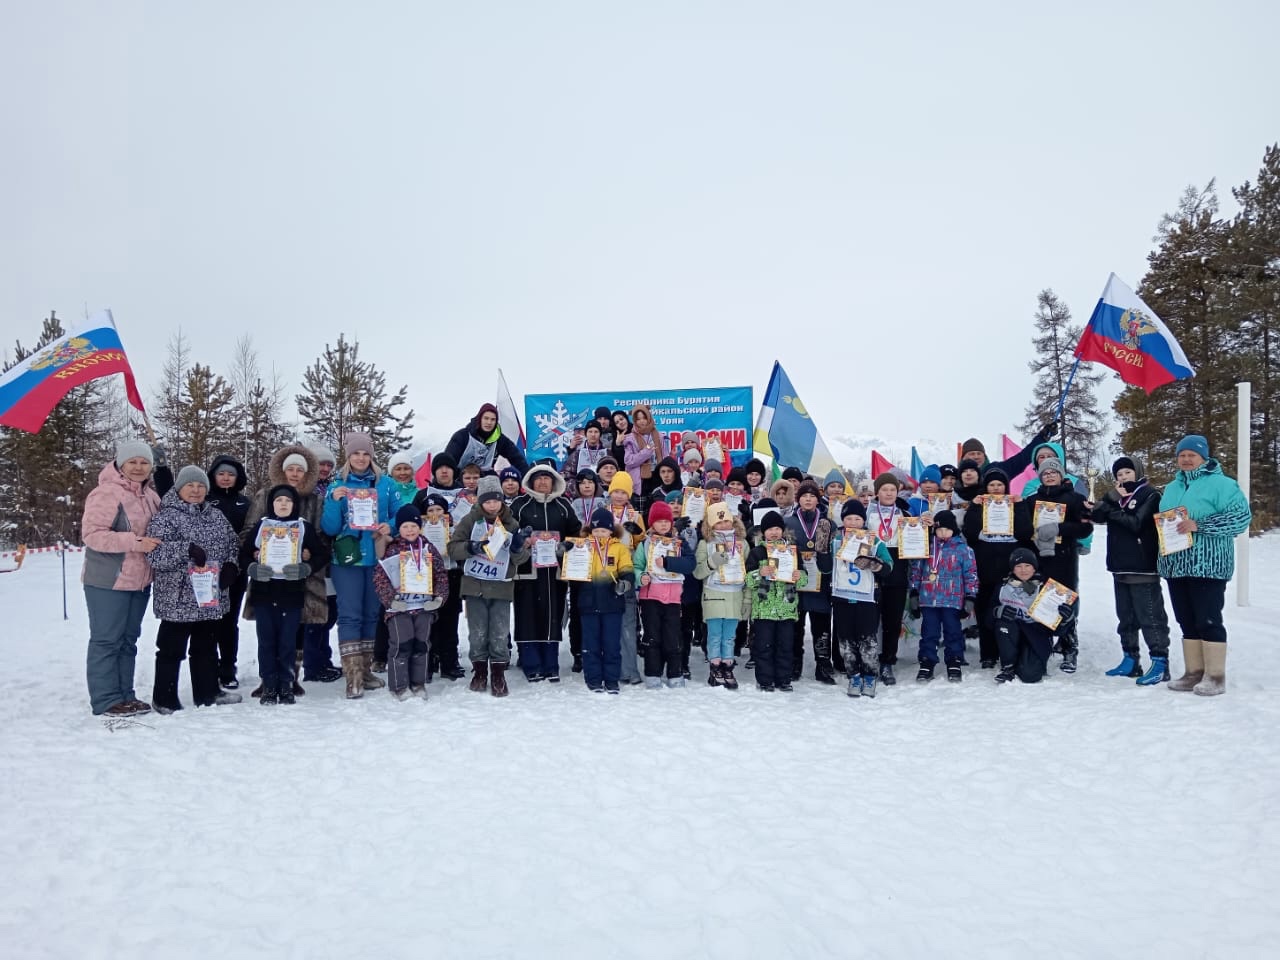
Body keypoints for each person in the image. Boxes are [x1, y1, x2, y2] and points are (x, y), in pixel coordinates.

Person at [1158, 435, 1252, 696]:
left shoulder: (1222, 484)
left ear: (1204, 457)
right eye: (1182, 455)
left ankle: (1215, 676)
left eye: (1192, 455)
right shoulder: (1171, 488)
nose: (1186, 459)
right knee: (1186, 620)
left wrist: (1200, 525)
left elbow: (1240, 518)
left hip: (1208, 565)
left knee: (1208, 619)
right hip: (1177, 564)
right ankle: (1193, 673)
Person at [145, 465, 242, 713]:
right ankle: (164, 697)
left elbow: (233, 543)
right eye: (190, 485)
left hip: (208, 594)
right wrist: (185, 549)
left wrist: (232, 565)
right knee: (171, 649)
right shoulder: (165, 516)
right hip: (177, 597)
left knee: (206, 647)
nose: (196, 490)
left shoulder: (215, 515)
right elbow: (154, 555)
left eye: (200, 486)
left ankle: (207, 692)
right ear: (179, 489)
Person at [243, 445, 336, 693]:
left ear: (307, 474)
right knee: (269, 628)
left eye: (299, 470)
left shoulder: (316, 500)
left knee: (298, 625)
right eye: (290, 469)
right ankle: (269, 678)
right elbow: (249, 531)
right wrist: (254, 553)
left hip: (302, 574)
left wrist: (308, 555)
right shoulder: (265, 496)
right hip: (269, 575)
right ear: (281, 471)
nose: (294, 474)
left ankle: (290, 676)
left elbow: (322, 539)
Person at [81, 440, 164, 717]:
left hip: (139, 581)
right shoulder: (106, 493)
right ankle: (106, 699)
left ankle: (125, 695)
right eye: (133, 462)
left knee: (128, 640)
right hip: (109, 581)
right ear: (120, 464)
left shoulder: (151, 496)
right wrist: (135, 541)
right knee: (107, 640)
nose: (139, 467)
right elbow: (92, 535)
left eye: (144, 462)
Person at [321, 431, 397, 698]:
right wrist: (333, 502)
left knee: (371, 614)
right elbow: (329, 528)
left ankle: (365, 671)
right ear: (348, 456)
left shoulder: (385, 484)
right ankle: (352, 676)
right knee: (350, 614)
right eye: (356, 453)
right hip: (347, 558)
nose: (361, 458)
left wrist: (392, 525)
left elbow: (399, 515)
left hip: (377, 555)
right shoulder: (337, 485)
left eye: (366, 453)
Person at [1089, 455, 1172, 684]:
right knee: (1125, 617)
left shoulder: (1150, 495)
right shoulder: (1118, 497)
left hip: (1142, 566)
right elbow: (1095, 515)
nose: (1123, 477)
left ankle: (1160, 662)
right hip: (1119, 565)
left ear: (1137, 472)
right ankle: (1130, 659)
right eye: (1119, 474)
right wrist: (1110, 498)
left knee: (1150, 617)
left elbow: (1136, 524)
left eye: (1127, 472)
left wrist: (1111, 511)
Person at [447, 475, 532, 697]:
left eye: (496, 500)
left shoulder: (511, 523)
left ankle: (498, 673)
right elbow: (453, 548)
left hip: (501, 587)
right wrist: (472, 547)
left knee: (499, 631)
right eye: (487, 501)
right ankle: (479, 671)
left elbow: (522, 559)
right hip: (474, 585)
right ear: (480, 501)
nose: (492, 505)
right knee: (477, 632)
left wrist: (517, 548)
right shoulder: (469, 521)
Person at [510, 463, 581, 682]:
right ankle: (531, 663)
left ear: (554, 481)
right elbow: (509, 534)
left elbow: (575, 533)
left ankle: (551, 664)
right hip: (526, 572)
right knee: (527, 616)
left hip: (554, 572)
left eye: (547, 478)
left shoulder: (563, 505)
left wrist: (566, 547)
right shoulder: (519, 505)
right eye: (538, 478)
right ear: (531, 481)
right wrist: (523, 539)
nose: (542, 482)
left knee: (552, 616)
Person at [1022, 457, 1092, 673]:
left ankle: (1070, 646)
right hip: (1038, 558)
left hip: (1064, 557)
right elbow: (1023, 526)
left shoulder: (1075, 499)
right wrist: (1029, 534)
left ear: (1061, 475)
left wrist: (1060, 529)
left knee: (1064, 601)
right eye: (1045, 473)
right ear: (1040, 477)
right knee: (1039, 601)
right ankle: (1041, 644)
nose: (1050, 476)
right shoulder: (1032, 500)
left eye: (1053, 472)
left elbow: (1085, 529)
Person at [373, 504, 448, 700]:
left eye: (413, 526)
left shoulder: (428, 548)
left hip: (423, 606)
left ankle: (418, 683)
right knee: (401, 644)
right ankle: (399, 685)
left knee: (421, 644)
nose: (410, 530)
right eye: (405, 526)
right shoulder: (392, 550)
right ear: (399, 528)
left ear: (420, 526)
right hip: (400, 608)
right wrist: (390, 600)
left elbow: (440, 575)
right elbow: (381, 578)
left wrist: (439, 597)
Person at [961, 467, 1033, 668]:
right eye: (991, 484)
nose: (996, 488)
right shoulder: (979, 505)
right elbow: (971, 533)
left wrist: (1019, 507)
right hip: (984, 568)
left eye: (1000, 485)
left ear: (1006, 487)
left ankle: (1009, 652)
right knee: (985, 612)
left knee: (1011, 611)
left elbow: (1025, 532)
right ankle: (988, 655)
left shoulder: (1016, 504)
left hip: (1010, 569)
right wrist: (975, 508)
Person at [829, 498, 892, 698]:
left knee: (867, 641)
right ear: (843, 520)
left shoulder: (874, 540)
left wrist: (878, 565)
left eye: (857, 518)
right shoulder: (836, 541)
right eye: (849, 518)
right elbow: (824, 566)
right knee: (846, 641)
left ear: (863, 521)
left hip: (867, 599)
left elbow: (889, 565)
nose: (853, 522)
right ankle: (853, 675)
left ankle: (870, 676)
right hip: (842, 598)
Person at [907, 510, 978, 682]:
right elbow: (916, 570)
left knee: (953, 632)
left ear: (954, 530)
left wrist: (970, 597)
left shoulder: (964, 550)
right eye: (939, 530)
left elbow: (971, 574)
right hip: (929, 599)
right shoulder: (926, 548)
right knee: (929, 632)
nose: (943, 533)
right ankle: (927, 662)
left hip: (952, 600)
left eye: (947, 529)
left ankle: (954, 660)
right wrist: (914, 592)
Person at [633, 500, 697, 687]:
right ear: (651, 523)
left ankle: (675, 673)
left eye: (666, 521)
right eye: (658, 521)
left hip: (673, 597)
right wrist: (641, 577)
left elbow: (690, 564)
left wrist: (668, 562)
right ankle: (653, 673)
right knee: (652, 636)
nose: (663, 524)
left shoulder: (679, 543)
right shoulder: (645, 544)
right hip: (650, 596)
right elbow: (637, 566)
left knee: (673, 636)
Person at [744, 510, 808, 691]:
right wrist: (759, 573)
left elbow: (804, 578)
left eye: (777, 528)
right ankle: (765, 680)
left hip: (786, 608)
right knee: (763, 646)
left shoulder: (792, 551)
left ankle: (784, 679)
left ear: (783, 531)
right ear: (763, 532)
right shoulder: (757, 552)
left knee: (785, 646)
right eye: (770, 529)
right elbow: (748, 579)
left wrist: (798, 575)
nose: (774, 532)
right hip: (764, 609)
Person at [992, 548, 1077, 684]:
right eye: (1018, 566)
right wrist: (997, 611)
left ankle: (1024, 661)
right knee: (1004, 623)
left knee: (1030, 676)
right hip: (1011, 635)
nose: (1023, 570)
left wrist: (1065, 619)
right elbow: (988, 621)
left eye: (1027, 566)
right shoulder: (1003, 587)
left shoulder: (1048, 590)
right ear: (1013, 569)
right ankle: (1008, 667)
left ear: (1034, 568)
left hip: (1036, 636)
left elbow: (1057, 631)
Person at [203, 456, 251, 689]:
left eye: (230, 474)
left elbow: (251, 534)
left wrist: (240, 561)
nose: (225, 478)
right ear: (213, 475)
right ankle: (208, 666)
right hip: (206, 571)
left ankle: (228, 668)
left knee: (229, 622)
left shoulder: (245, 503)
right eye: (221, 473)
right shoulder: (203, 499)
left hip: (236, 570)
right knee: (209, 621)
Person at [576, 507, 635, 693]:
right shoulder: (582, 546)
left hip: (612, 603)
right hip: (588, 602)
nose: (599, 534)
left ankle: (611, 679)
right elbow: (571, 567)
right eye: (595, 531)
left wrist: (625, 582)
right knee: (590, 645)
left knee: (611, 644)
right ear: (590, 531)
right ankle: (593, 679)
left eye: (603, 530)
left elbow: (626, 568)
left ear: (611, 530)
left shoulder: (619, 548)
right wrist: (565, 553)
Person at [694, 502, 748, 689]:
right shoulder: (705, 544)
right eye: (719, 522)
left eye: (727, 521)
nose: (724, 525)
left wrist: (747, 598)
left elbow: (747, 570)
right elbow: (698, 572)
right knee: (715, 634)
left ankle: (727, 665)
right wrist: (713, 562)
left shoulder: (742, 544)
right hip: (714, 594)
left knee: (730, 636)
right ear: (711, 525)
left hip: (735, 595)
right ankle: (715, 667)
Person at [785, 480, 835, 683]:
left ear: (818, 499)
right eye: (804, 495)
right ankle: (794, 661)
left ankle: (823, 663)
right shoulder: (788, 522)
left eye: (812, 495)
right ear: (798, 499)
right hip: (796, 579)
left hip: (820, 580)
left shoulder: (827, 524)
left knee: (821, 624)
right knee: (795, 625)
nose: (808, 499)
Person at [868, 473, 913, 684]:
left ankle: (887, 662)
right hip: (871, 571)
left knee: (892, 622)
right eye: (884, 489)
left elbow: (916, 543)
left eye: (892, 490)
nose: (888, 493)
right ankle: (869, 661)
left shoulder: (905, 514)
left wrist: (924, 525)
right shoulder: (867, 513)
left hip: (897, 572)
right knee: (870, 621)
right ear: (877, 492)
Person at [606, 470, 645, 684]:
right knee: (609, 623)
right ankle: (612, 668)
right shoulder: (603, 512)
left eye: (624, 492)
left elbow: (644, 545)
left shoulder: (635, 516)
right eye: (616, 491)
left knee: (628, 622)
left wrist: (638, 532)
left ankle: (630, 670)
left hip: (627, 572)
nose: (620, 496)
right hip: (605, 572)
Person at [443, 402, 529, 474]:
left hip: (484, 479)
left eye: (492, 419)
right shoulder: (463, 436)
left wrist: (529, 477)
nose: (489, 422)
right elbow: (448, 460)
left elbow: (518, 459)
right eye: (486, 418)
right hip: (461, 476)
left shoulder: (500, 440)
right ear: (480, 419)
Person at [961, 419, 1057, 479]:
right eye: (972, 454)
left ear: (984, 456)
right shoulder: (955, 477)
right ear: (963, 457)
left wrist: (1041, 438)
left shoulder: (996, 469)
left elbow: (1022, 459)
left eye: (979, 453)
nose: (976, 457)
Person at [624, 403, 662, 499]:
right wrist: (646, 452)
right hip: (640, 481)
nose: (642, 421)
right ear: (634, 421)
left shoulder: (659, 436)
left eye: (644, 418)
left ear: (649, 417)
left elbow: (664, 457)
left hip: (657, 477)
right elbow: (628, 461)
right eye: (638, 419)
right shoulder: (630, 438)